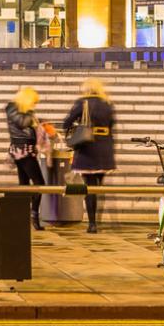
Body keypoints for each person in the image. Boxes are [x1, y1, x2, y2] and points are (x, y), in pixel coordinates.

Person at [63, 77, 117, 234]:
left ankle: (92, 223)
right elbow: (112, 127)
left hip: (88, 148)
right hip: (104, 149)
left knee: (89, 187)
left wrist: (79, 126)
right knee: (98, 187)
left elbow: (66, 123)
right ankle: (96, 221)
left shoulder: (83, 102)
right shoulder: (107, 104)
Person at [4, 87, 46, 229]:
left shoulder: (19, 111)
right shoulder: (13, 108)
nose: (34, 105)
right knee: (40, 184)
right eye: (33, 102)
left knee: (24, 184)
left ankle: (23, 216)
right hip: (23, 151)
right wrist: (32, 116)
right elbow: (22, 123)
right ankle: (33, 214)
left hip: (22, 150)